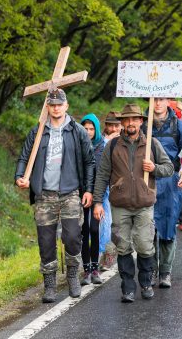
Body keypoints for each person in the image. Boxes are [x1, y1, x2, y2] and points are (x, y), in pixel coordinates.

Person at [15, 87, 95, 303]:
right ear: (47, 107)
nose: (56, 108)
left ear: (66, 106)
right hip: (45, 195)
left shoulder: (77, 131)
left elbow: (89, 162)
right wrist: (20, 176)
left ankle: (72, 275)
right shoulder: (38, 131)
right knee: (46, 241)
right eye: (52, 104)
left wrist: (88, 189)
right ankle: (49, 285)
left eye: (60, 104)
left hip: (70, 193)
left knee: (71, 236)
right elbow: (24, 157)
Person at [93, 103, 173, 303]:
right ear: (122, 123)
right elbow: (102, 175)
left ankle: (146, 283)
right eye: (126, 120)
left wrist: (154, 167)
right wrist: (97, 202)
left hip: (144, 204)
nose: (130, 123)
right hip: (120, 204)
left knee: (145, 246)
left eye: (134, 119)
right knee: (123, 247)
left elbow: (169, 168)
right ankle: (128, 288)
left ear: (141, 121)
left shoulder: (152, 144)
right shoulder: (112, 146)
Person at [142, 97, 182, 288]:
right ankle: (150, 271)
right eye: (154, 99)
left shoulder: (180, 126)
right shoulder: (142, 125)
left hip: (171, 182)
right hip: (146, 181)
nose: (157, 103)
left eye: (161, 99)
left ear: (168, 101)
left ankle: (165, 271)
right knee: (147, 229)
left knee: (167, 227)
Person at [80, 113, 105, 285]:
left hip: (97, 192)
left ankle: (96, 268)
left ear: (96, 129)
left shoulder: (103, 147)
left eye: (91, 128)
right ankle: (86, 270)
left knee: (94, 229)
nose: (88, 132)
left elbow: (104, 173)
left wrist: (99, 198)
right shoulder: (77, 144)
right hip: (79, 193)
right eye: (85, 128)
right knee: (84, 231)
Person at [98, 111, 122, 271]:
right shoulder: (100, 140)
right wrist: (108, 141)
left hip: (122, 187)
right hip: (105, 187)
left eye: (116, 125)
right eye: (110, 125)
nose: (113, 128)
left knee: (119, 224)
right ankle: (106, 255)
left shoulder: (125, 140)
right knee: (105, 222)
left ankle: (115, 252)